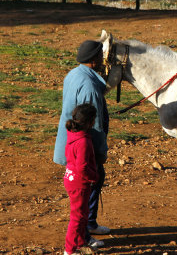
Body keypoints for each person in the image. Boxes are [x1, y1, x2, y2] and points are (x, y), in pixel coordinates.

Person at [54, 40, 110, 249]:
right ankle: (85, 232)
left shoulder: (73, 74)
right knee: (92, 184)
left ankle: (90, 224)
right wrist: (100, 153)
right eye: (101, 58)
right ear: (94, 60)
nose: (103, 61)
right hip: (85, 149)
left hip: (71, 143)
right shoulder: (89, 86)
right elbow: (93, 125)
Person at [64, 104, 98, 255]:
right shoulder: (83, 141)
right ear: (90, 122)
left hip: (71, 178)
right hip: (80, 182)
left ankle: (79, 243)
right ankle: (69, 250)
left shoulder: (73, 135)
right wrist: (94, 176)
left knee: (82, 214)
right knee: (77, 217)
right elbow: (82, 167)